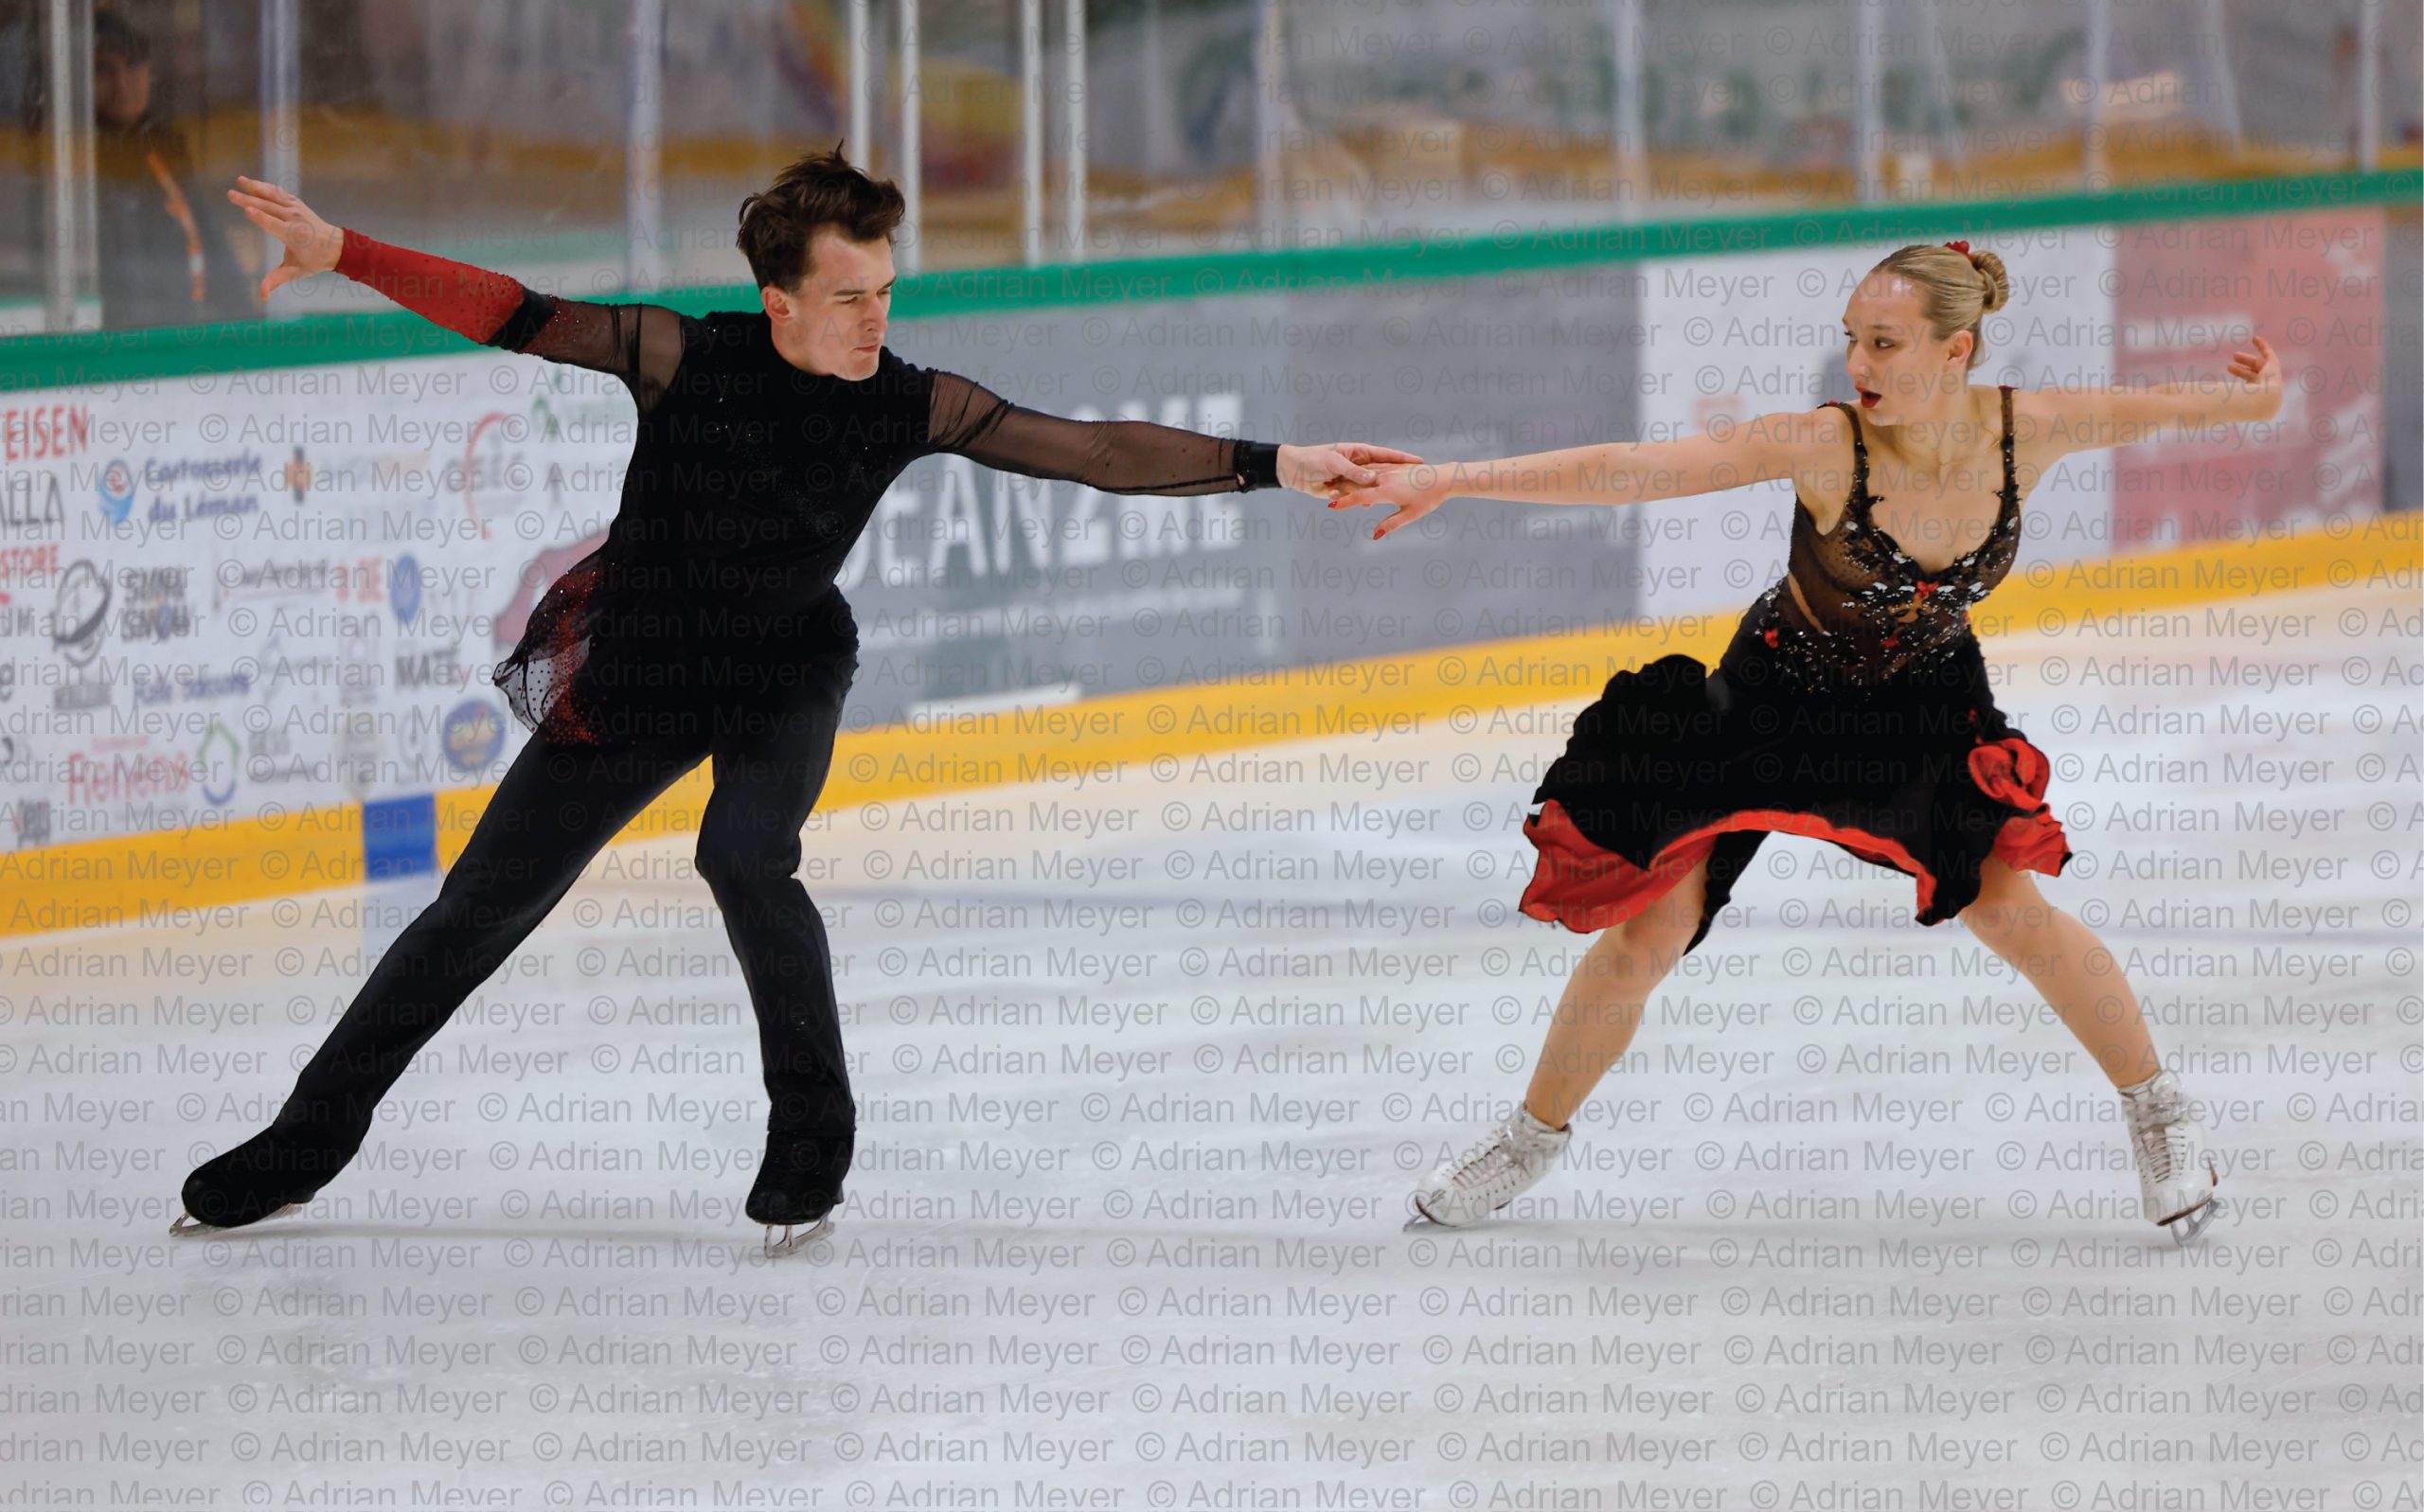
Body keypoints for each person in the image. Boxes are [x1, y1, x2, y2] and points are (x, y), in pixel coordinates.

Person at [173, 146, 1412, 1255]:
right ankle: (304, 1140)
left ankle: (810, 1137)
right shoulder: (679, 355)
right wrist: (345, 252)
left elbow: (1090, 451)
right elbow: (517, 313)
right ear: (779, 303)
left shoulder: (907, 401)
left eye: (885, 292)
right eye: (847, 298)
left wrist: (1275, 465)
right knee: (476, 910)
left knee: (746, 858)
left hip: (783, 665)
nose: (876, 320)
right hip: (646, 668)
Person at [1332, 240, 2282, 1246]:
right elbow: (1633, 473)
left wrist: (2256, 401)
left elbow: (2190, 406)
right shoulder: (1826, 445)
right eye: (1849, 341)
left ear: (1956, 349)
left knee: (2011, 910)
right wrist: (1454, 479)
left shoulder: (2026, 431)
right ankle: (1527, 1139)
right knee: (1648, 930)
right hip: (1772, 699)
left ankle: (2160, 1118)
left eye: (1884, 342)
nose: (1857, 364)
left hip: (1919, 712)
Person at [92, 9, 257, 330]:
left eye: (133, 66)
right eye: (103, 70)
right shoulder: (79, 156)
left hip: (178, 336)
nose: (123, 83)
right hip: (130, 350)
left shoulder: (162, 147)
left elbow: (209, 240)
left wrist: (246, 328)